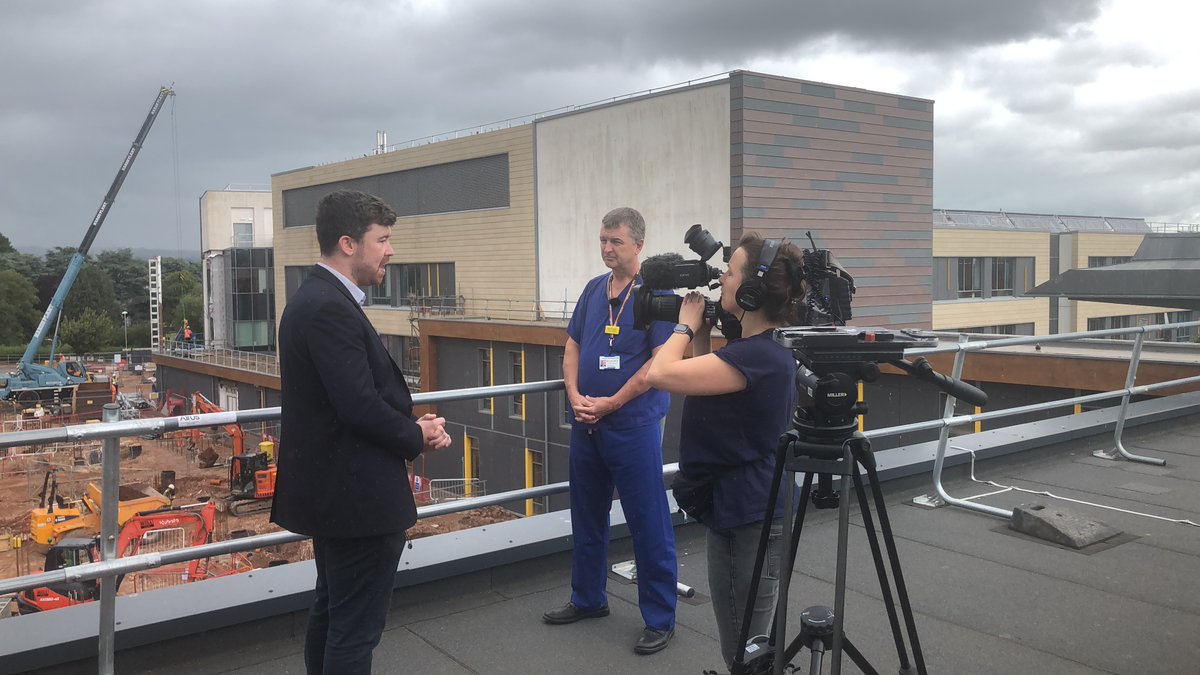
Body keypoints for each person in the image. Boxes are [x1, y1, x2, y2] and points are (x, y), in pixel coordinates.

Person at [271, 188, 453, 675]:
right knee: (353, 633)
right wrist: (418, 437)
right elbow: (358, 406)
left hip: (336, 495)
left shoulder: (316, 299)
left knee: (332, 614)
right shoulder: (329, 307)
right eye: (383, 240)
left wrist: (413, 425)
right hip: (356, 500)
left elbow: (348, 400)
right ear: (348, 244)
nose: (390, 251)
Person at [647, 232, 805, 669]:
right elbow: (709, 384)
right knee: (751, 639)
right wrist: (702, 335)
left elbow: (660, 374)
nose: (721, 281)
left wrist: (683, 323)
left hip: (745, 515)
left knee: (743, 647)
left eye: (731, 273)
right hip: (743, 506)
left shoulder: (758, 357)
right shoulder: (758, 351)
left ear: (753, 291)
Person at [542, 207, 678, 655]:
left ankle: (659, 618)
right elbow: (572, 347)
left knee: (648, 521)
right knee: (586, 515)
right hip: (587, 425)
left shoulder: (656, 293)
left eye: (615, 241)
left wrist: (612, 402)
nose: (606, 248)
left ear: (639, 244)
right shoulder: (592, 290)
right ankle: (587, 598)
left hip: (632, 425)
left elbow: (660, 365)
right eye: (602, 239)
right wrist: (575, 393)